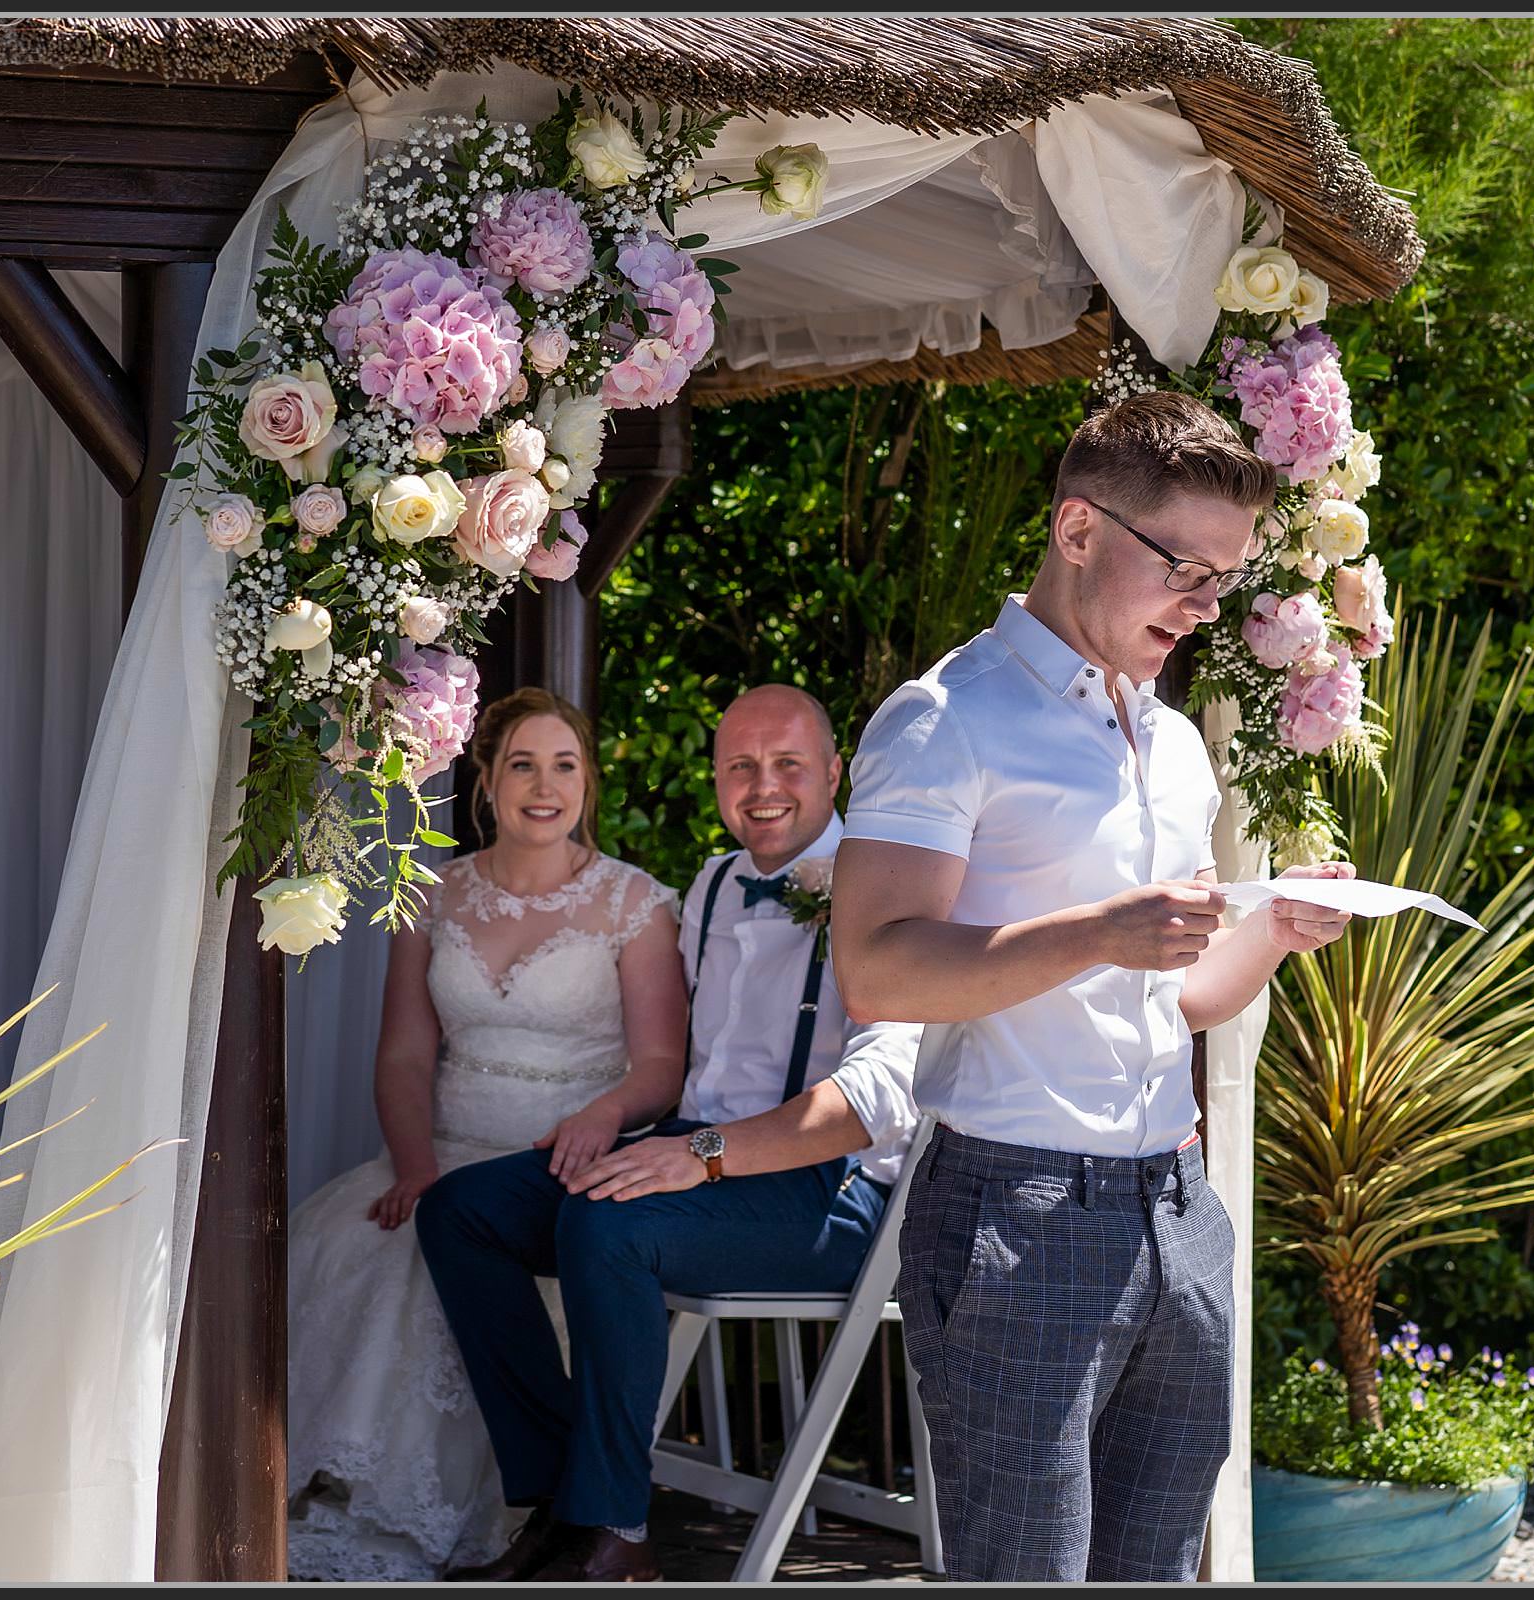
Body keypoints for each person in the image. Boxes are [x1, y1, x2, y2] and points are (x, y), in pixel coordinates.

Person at [830, 390, 1356, 1583]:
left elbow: (1179, 998)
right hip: (1016, 1216)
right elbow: (876, 965)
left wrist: (1273, 926)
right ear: (1078, 532)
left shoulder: (1169, 740)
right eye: (1186, 568)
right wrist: (1101, 930)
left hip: (1178, 1211)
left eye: (1223, 581)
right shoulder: (942, 720)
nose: (1205, 605)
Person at [418, 683, 922, 1583]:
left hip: (829, 1196)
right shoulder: (718, 883)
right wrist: (614, 1117)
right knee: (464, 1211)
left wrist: (699, 1157)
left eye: (787, 765)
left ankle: (615, 1533)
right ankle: (562, 1501)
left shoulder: (886, 891)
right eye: (740, 766)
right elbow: (669, 1060)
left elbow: (877, 1100)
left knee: (611, 1226)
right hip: (694, 1151)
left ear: (836, 771)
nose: (761, 785)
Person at [283, 687, 688, 1581]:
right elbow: (402, 1056)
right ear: (487, 780)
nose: (544, 786)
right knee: (363, 1243)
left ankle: (537, 1509)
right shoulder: (432, 893)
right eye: (522, 764)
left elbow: (660, 1065)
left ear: (589, 781)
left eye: (565, 765)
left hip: (568, 1155)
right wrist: (417, 1166)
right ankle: (344, 1489)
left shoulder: (636, 904)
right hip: (443, 1154)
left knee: (478, 1249)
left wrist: (603, 1114)